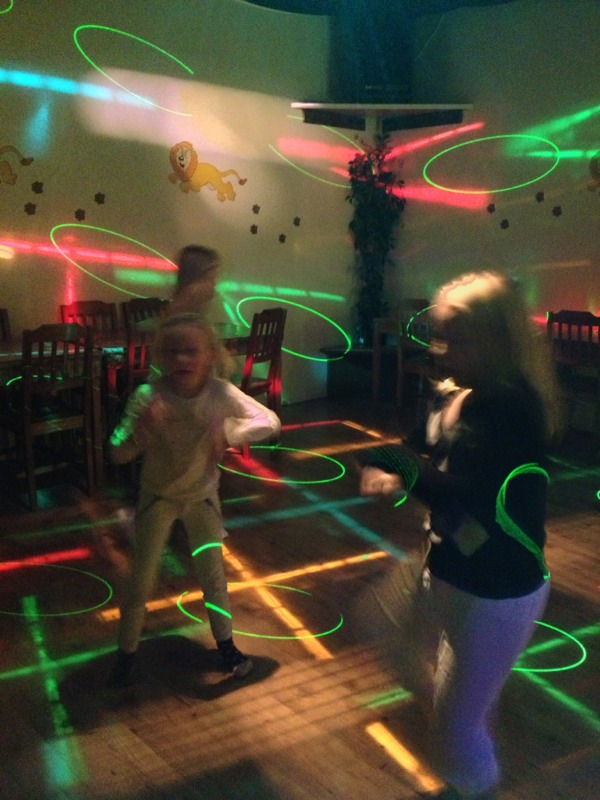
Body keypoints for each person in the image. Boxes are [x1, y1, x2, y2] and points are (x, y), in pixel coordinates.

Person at [357, 271, 563, 800]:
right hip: (445, 563)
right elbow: (417, 445)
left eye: (455, 338)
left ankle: (470, 761)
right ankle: (468, 716)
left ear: (496, 340)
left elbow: (468, 492)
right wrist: (393, 461)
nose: (439, 349)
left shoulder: (513, 408)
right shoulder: (450, 391)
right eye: (439, 335)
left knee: (453, 736)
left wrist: (392, 462)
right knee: (386, 633)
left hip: (497, 589)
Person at [107, 312, 281, 687]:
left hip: (201, 498)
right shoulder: (148, 396)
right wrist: (141, 432)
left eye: (191, 351)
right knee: (140, 580)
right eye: (173, 352)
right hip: (158, 499)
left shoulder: (220, 393)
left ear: (210, 355)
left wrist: (229, 433)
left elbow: (270, 421)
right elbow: (116, 452)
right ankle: (126, 653)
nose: (182, 359)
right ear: (160, 356)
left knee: (213, 577)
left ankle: (226, 646)